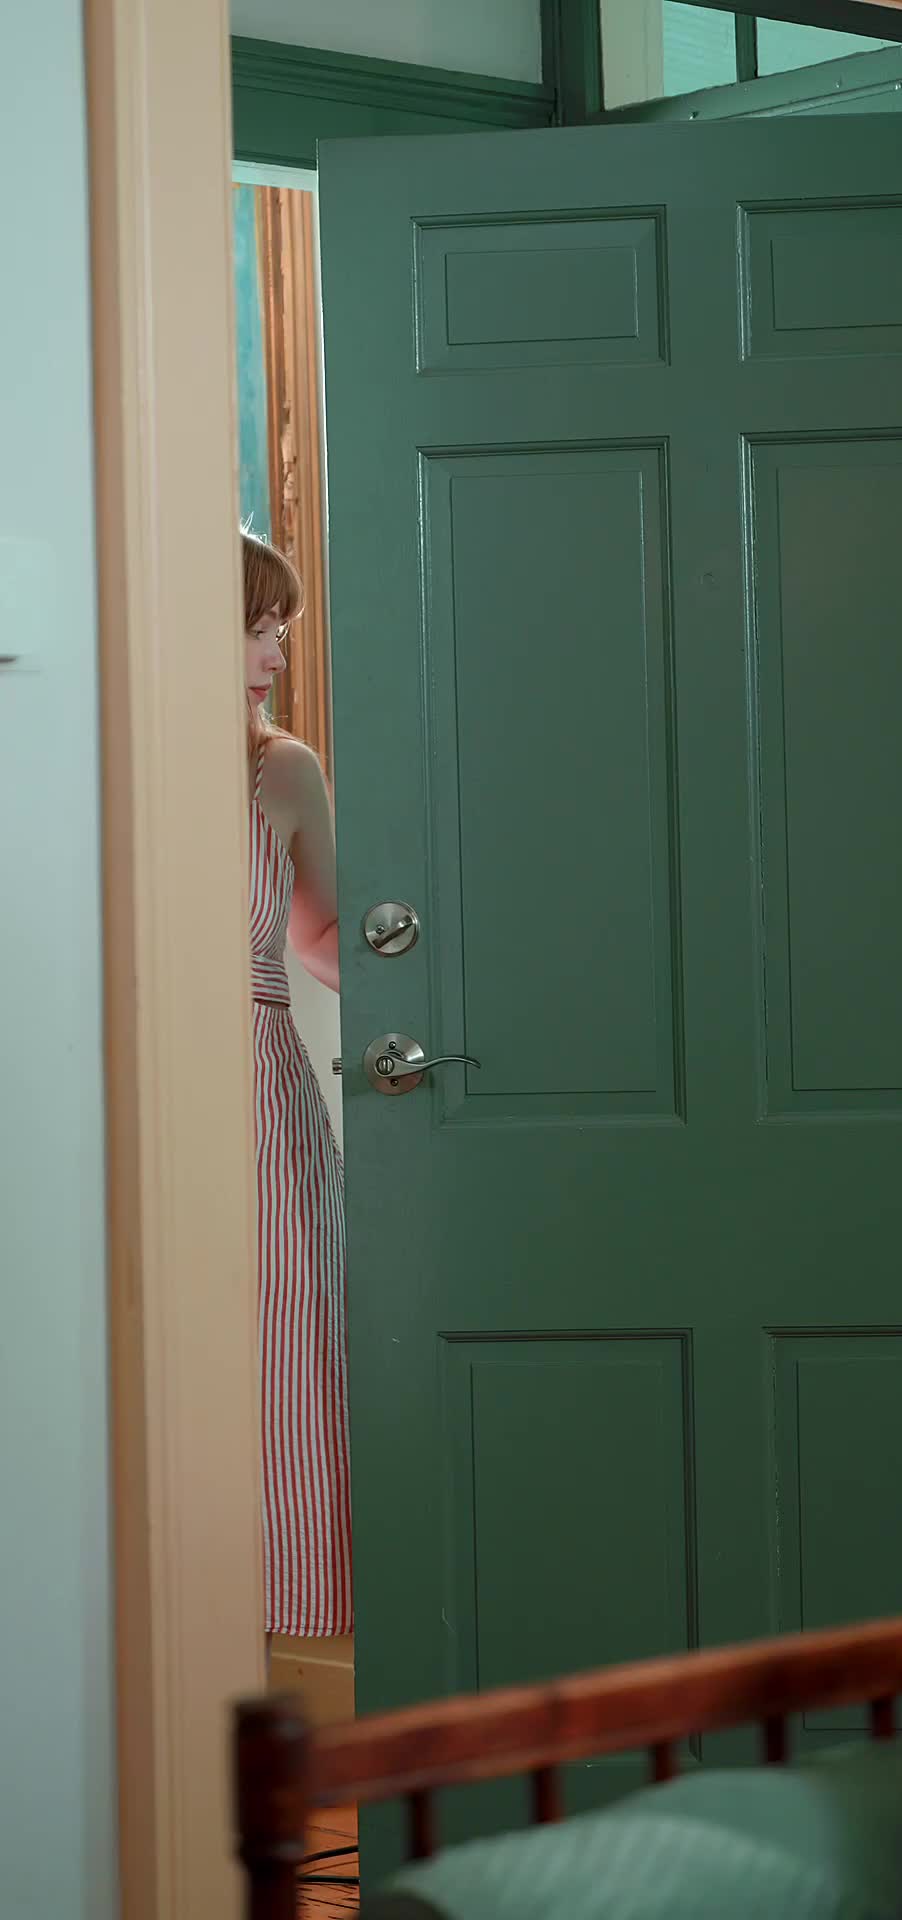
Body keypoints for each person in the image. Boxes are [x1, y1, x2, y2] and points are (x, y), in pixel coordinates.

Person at [243, 529, 352, 1646]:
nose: (276, 653)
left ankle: (294, 1616)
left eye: (280, 629)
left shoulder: (284, 769)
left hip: (258, 1090)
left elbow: (323, 934)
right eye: (255, 628)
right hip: (132, 1079)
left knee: (287, 1332)